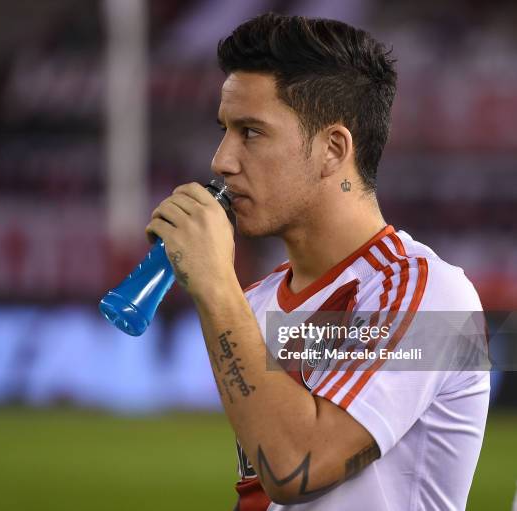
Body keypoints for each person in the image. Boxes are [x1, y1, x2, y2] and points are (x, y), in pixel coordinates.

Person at [145, 13, 489, 511]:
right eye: (225, 129)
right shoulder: (256, 304)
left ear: (333, 149)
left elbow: (294, 467)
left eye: (252, 132)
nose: (222, 159)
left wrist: (217, 285)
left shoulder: (431, 295)